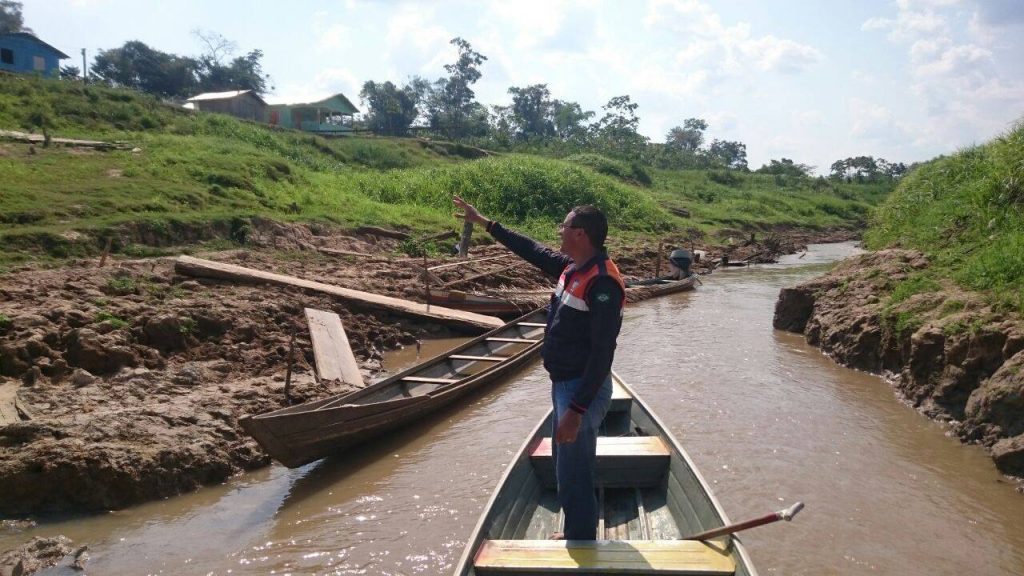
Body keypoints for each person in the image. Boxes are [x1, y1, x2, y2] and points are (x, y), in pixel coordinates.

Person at [453, 195, 625, 540]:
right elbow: (531, 249)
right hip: (564, 383)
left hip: (580, 388)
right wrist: (485, 222)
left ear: (581, 234)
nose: (559, 231)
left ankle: (580, 538)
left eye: (564, 225)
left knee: (574, 465)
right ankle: (577, 529)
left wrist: (576, 410)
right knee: (565, 460)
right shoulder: (573, 266)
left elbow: (603, 352)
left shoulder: (602, 282)